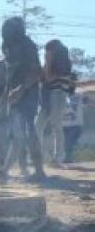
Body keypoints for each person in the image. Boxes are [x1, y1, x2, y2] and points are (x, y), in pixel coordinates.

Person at [0, 16, 45, 183]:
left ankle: (39, 170)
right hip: (14, 94)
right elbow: (10, 75)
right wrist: (6, 95)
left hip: (29, 92)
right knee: (16, 133)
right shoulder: (7, 46)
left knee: (28, 129)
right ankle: (5, 170)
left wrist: (21, 89)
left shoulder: (28, 45)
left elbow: (37, 72)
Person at [38, 39, 76, 167]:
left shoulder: (60, 63)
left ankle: (56, 157)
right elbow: (42, 78)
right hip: (51, 97)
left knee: (53, 125)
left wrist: (47, 62)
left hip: (56, 95)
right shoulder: (60, 62)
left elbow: (49, 79)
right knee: (44, 125)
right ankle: (47, 156)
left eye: (48, 51)